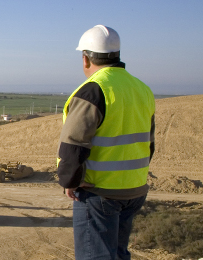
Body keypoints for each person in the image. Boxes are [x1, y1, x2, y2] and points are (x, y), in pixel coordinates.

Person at [57, 25, 155, 260]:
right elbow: (149, 144)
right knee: (118, 254)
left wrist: (70, 181)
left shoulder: (93, 91)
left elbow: (74, 144)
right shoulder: (142, 89)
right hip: (134, 190)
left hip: (98, 193)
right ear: (117, 56)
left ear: (86, 58)